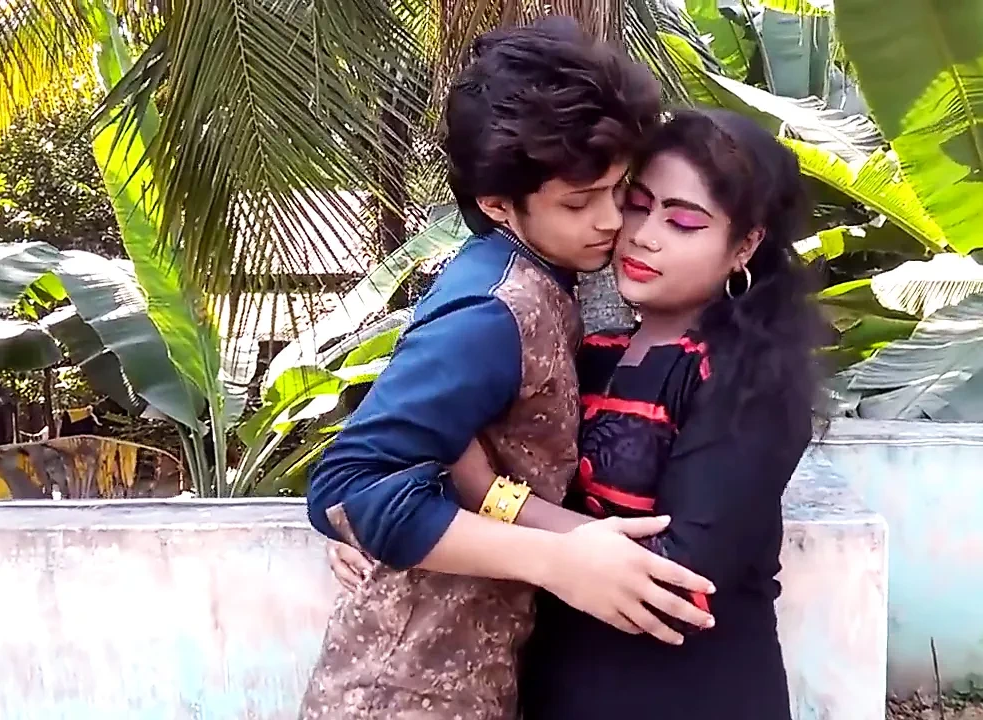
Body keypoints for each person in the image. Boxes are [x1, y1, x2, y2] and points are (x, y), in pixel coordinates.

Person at [332, 108, 822, 719]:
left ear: (744, 245)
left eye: (683, 221)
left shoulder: (751, 385)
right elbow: (412, 460)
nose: (642, 234)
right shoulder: (585, 351)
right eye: (637, 205)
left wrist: (493, 496)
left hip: (688, 694)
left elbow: (674, 578)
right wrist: (371, 522)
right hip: (549, 683)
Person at [299, 19, 716, 720]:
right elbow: (349, 485)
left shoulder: (539, 281)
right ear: (497, 205)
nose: (611, 220)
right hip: (405, 691)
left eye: (619, 190)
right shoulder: (492, 312)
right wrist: (558, 560)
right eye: (579, 203)